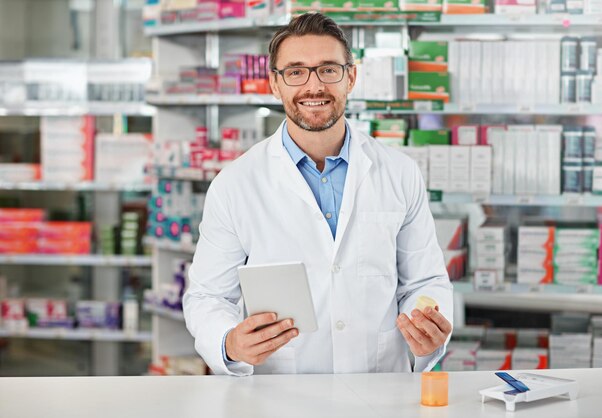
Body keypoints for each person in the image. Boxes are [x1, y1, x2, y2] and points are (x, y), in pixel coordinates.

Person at [183, 12, 453, 376]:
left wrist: (429, 328)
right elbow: (208, 296)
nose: (314, 86)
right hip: (282, 393)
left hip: (380, 386)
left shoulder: (398, 172)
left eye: (328, 69)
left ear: (351, 77)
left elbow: (426, 281)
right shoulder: (236, 184)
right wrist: (229, 343)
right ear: (275, 85)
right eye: (295, 72)